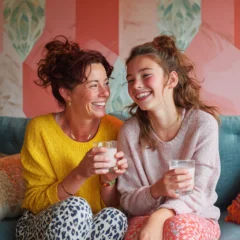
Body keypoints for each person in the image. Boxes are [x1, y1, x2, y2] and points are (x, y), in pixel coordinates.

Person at [16, 36, 128, 240]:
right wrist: (80, 173)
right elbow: (34, 202)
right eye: (94, 85)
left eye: (105, 83)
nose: (105, 92)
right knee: (77, 208)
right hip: (42, 223)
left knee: (115, 217)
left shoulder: (116, 130)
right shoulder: (40, 129)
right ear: (66, 93)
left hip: (92, 227)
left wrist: (108, 181)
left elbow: (110, 205)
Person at [117, 35, 221, 240]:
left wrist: (159, 216)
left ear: (171, 79)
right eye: (130, 80)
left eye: (146, 75)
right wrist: (157, 189)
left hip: (196, 216)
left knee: (176, 227)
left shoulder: (202, 125)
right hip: (143, 218)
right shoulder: (129, 132)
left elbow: (199, 192)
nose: (136, 85)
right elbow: (128, 200)